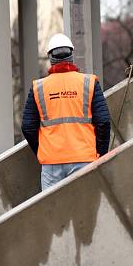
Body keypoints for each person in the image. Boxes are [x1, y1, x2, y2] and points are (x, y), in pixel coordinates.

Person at [21, 33, 111, 190]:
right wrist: (100, 154)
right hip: (84, 158)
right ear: (71, 55)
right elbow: (103, 121)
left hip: (51, 163)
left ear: (50, 57)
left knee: (53, 210)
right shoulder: (89, 82)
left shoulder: (38, 87)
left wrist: (43, 151)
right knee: (84, 208)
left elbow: (28, 127)